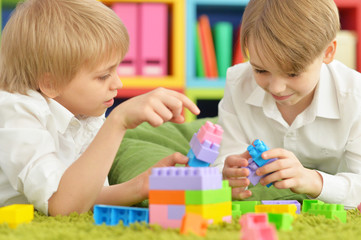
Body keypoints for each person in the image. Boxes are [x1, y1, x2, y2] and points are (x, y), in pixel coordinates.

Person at [0, 0, 200, 216]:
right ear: (50, 84)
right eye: (104, 75)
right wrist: (118, 121)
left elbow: (82, 198)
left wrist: (141, 185)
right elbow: (62, 206)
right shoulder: (17, 112)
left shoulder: (87, 114)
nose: (118, 84)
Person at [213, 0, 361, 209]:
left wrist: (312, 180)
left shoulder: (355, 96)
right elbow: (223, 160)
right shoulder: (238, 82)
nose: (277, 88)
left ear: (328, 52)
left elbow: (358, 187)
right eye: (261, 70)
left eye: (292, 73)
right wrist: (226, 175)